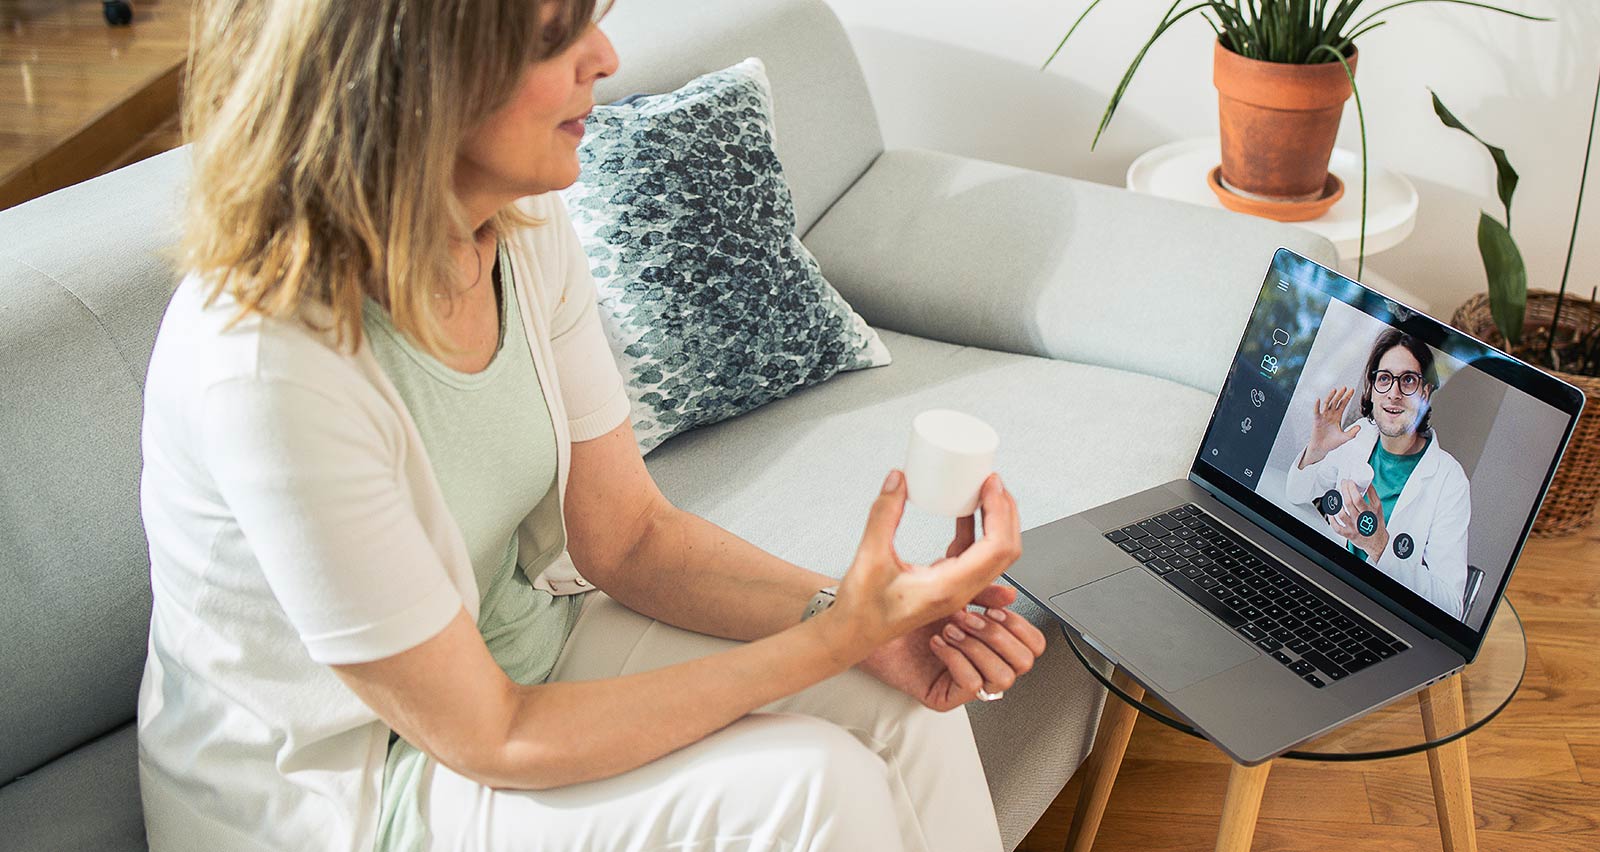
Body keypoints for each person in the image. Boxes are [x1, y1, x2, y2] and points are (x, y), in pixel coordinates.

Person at [134, 1, 1045, 851]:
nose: (605, 59)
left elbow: (633, 538)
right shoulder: (271, 366)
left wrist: (864, 623)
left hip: (526, 650)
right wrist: (830, 635)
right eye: (553, 39)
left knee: (896, 707)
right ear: (410, 78)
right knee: (815, 783)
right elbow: (491, 734)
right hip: (351, 783)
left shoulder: (521, 232)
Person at [1286, 329, 1472, 619]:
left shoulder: (1450, 480)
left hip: (1383, 615)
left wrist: (1379, 545)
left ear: (1426, 392)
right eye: (1384, 379)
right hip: (1325, 588)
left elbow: (1451, 607)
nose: (1394, 393)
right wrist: (1316, 450)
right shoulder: (1357, 437)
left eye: (1408, 380)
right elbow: (1296, 495)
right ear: (1371, 390)